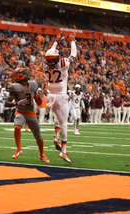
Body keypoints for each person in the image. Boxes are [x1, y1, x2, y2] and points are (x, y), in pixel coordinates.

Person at [42, 32, 77, 163]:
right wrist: (72, 41)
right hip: (61, 95)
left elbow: (49, 55)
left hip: (51, 95)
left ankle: (55, 136)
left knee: (58, 117)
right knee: (64, 124)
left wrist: (56, 42)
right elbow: (73, 56)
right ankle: (63, 150)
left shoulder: (44, 65)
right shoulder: (62, 63)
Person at [4, 68, 49, 163]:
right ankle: (18, 149)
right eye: (24, 73)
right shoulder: (15, 87)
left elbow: (38, 101)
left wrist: (39, 97)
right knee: (17, 127)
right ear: (20, 76)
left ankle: (42, 154)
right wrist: (16, 104)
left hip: (31, 113)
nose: (27, 74)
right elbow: (7, 103)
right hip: (20, 112)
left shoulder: (33, 84)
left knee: (38, 136)